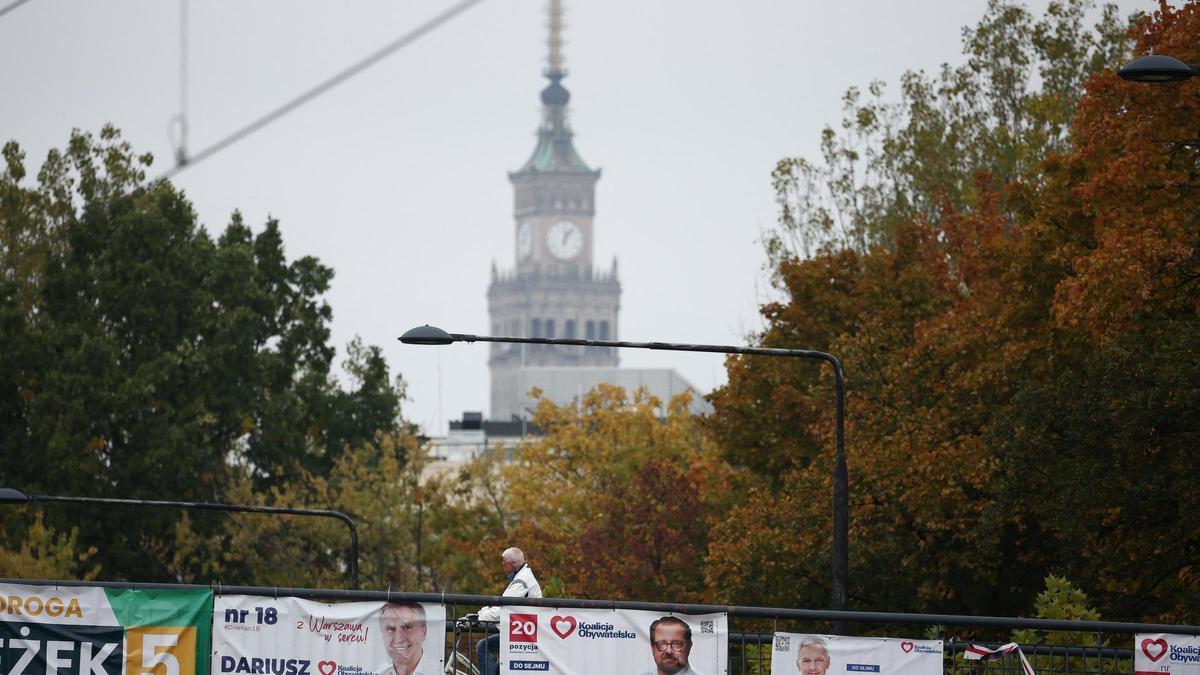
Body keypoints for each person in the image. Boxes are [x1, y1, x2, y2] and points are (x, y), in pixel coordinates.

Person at [475, 547, 542, 675]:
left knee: (483, 647)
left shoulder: (521, 582)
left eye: (504, 564)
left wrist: (481, 616)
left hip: (522, 636)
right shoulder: (523, 577)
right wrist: (485, 613)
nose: (503, 568)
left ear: (512, 565)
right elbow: (505, 605)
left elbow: (503, 610)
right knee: (499, 668)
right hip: (524, 633)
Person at [379, 602, 430, 675]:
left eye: (407, 627)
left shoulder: (440, 672)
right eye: (390, 629)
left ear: (424, 632)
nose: (399, 638)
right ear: (382, 634)